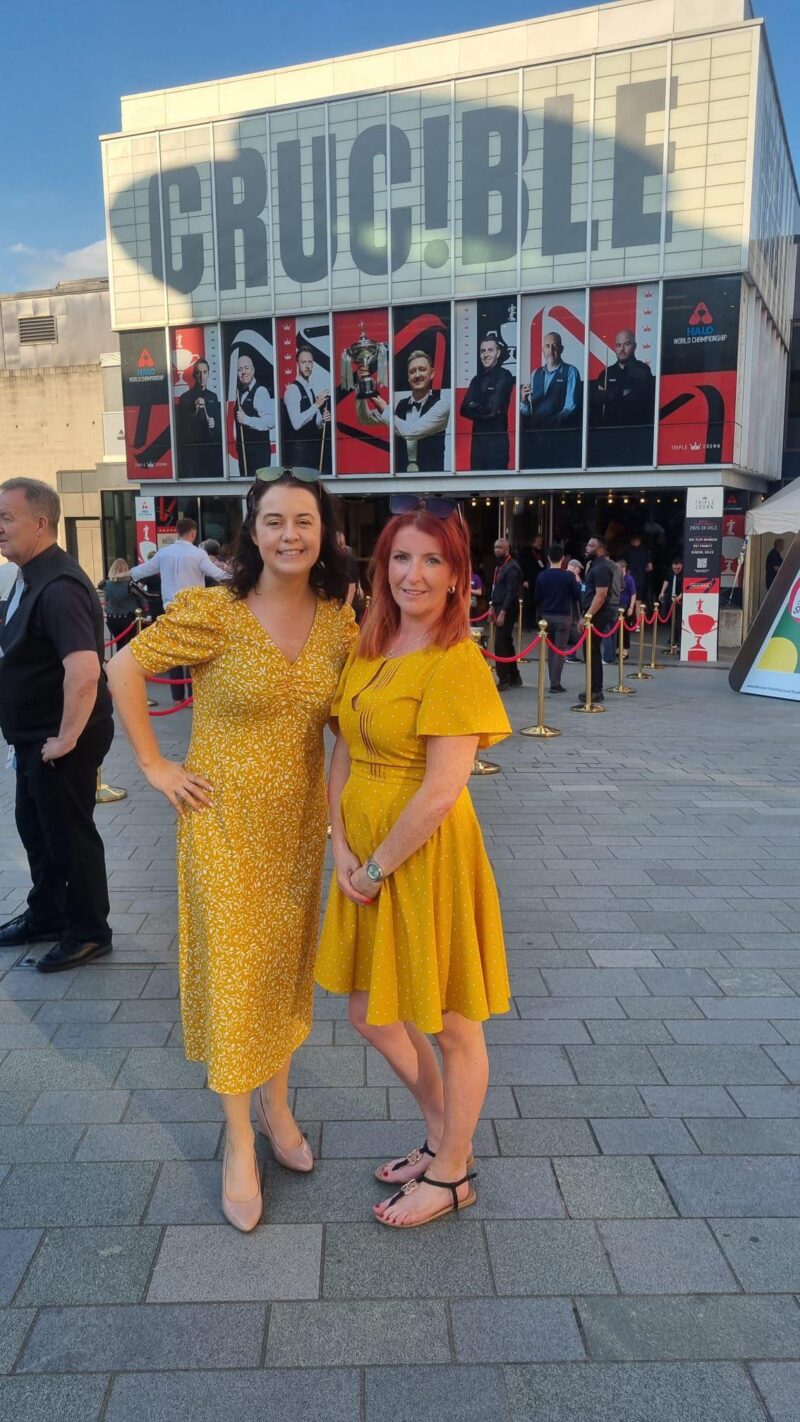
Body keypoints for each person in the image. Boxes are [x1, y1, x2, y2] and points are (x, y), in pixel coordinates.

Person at [107, 471, 357, 1232]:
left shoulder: (339, 624)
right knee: (235, 979)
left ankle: (278, 1108)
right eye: (274, 520)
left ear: (324, 532)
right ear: (252, 531)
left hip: (296, 833)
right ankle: (239, 1141)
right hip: (220, 827)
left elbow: (346, 732)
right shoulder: (214, 611)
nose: (290, 534)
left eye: (304, 520)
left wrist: (352, 824)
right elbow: (123, 668)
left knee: (281, 972)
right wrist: (155, 765)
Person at [316, 499, 512, 1228]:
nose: (414, 574)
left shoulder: (455, 659)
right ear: (382, 566)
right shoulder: (372, 643)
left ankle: (453, 1173)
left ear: (458, 575)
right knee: (370, 1011)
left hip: (424, 858)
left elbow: (440, 792)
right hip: (364, 852)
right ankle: (440, 1133)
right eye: (402, 557)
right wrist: (341, 845)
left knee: (454, 1021)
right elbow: (343, 749)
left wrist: (374, 868)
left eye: (433, 560)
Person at [0, 478, 114, 972]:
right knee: (36, 828)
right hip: (33, 737)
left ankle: (89, 930)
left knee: (69, 834)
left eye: (7, 518)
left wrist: (66, 739)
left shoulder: (59, 585)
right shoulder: (28, 575)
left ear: (41, 524)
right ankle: (46, 913)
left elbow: (84, 671)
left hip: (60, 739)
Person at [130, 518, 230, 703]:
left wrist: (122, 574)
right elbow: (217, 574)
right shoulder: (198, 554)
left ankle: (177, 698)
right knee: (194, 654)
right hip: (194, 610)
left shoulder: (164, 553)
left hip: (171, 609)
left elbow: (140, 571)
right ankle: (193, 696)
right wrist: (240, 578)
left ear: (177, 531)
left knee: (173, 655)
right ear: (193, 533)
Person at [358, 350, 451, 473]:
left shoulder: (441, 406)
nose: (417, 375)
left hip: (432, 480)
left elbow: (411, 432)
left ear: (432, 373)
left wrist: (384, 408)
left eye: (422, 369)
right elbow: (364, 418)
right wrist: (361, 386)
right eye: (412, 371)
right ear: (408, 377)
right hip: (400, 479)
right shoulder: (399, 405)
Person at [590, 331, 655, 465]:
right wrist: (621, 393)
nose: (622, 349)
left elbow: (636, 399)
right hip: (609, 435)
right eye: (618, 345)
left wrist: (609, 395)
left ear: (635, 346)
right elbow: (596, 400)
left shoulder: (642, 370)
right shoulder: (606, 373)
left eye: (627, 344)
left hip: (636, 435)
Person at [520, 332, 582, 469]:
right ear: (543, 349)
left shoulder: (571, 371)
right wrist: (523, 400)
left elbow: (571, 406)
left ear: (561, 349)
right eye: (547, 346)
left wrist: (551, 422)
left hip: (561, 436)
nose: (551, 350)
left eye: (555, 346)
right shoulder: (535, 374)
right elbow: (528, 412)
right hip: (537, 438)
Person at [459, 333, 514, 470]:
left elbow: (492, 410)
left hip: (497, 445)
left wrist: (473, 404)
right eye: (482, 351)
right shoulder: (476, 379)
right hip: (477, 445)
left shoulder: (505, 375)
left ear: (498, 353)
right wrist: (477, 406)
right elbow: (463, 409)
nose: (486, 355)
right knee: (476, 481)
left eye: (490, 350)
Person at [534, 544, 581, 692]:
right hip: (564, 615)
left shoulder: (542, 576)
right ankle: (555, 682)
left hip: (547, 615)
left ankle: (552, 679)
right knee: (560, 649)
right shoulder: (568, 576)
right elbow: (577, 595)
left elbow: (537, 597)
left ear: (548, 558)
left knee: (551, 648)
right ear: (563, 559)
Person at [579, 534, 618, 702]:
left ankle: (595, 690)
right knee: (590, 651)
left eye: (591, 546)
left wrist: (588, 616)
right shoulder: (594, 566)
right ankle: (592, 687)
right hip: (592, 612)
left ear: (601, 549)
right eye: (588, 545)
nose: (587, 548)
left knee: (592, 651)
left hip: (597, 614)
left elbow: (601, 595)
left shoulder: (601, 568)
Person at [281, 346, 332, 473]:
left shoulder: (311, 389)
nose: (307, 366)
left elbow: (316, 423)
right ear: (297, 364)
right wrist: (316, 405)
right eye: (304, 362)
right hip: (298, 455)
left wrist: (323, 420)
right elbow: (296, 424)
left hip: (313, 452)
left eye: (310, 362)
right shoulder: (292, 390)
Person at [176, 360, 223, 479]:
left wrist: (214, 424)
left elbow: (220, 428)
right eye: (199, 373)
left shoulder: (213, 397)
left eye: (205, 372)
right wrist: (195, 411)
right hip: (193, 454)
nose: (202, 376)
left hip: (211, 454)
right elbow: (182, 428)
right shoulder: (185, 398)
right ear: (194, 375)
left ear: (209, 374)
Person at [490, 536, 523, 691]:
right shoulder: (499, 566)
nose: (497, 550)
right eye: (495, 547)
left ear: (507, 549)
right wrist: (491, 606)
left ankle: (504, 679)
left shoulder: (512, 567)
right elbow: (496, 587)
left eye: (500, 548)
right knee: (506, 643)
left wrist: (502, 612)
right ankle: (514, 676)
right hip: (498, 605)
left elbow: (511, 592)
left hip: (507, 608)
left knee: (500, 644)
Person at [234, 354, 275, 476]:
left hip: (258, 456)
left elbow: (271, 422)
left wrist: (247, 420)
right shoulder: (239, 394)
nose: (243, 372)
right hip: (244, 454)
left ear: (253, 370)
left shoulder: (260, 391)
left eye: (246, 368)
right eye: (240, 369)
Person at [99, 558, 149, 651]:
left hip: (112, 618)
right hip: (129, 618)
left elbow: (105, 596)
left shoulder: (106, 584)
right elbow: (142, 598)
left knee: (120, 644)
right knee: (129, 647)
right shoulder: (131, 585)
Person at [603, 556, 637, 664]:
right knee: (616, 629)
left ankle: (625, 649)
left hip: (625, 605)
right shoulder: (614, 576)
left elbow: (633, 594)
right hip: (616, 604)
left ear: (624, 568)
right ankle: (617, 649)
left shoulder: (629, 579)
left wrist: (631, 607)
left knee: (625, 630)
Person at [519, 534, 548, 628]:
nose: (540, 543)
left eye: (541, 541)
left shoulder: (540, 551)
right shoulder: (526, 551)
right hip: (528, 580)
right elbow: (523, 566)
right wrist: (524, 579)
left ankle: (533, 622)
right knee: (528, 602)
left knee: (535, 602)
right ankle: (526, 623)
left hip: (538, 580)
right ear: (534, 541)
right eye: (539, 541)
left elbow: (543, 564)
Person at [623, 531, 653, 605]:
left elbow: (622, 565)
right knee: (638, 602)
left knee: (626, 600)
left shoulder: (627, 552)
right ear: (640, 541)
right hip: (640, 580)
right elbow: (650, 567)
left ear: (631, 541)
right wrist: (642, 570)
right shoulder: (645, 553)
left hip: (628, 579)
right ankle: (637, 613)